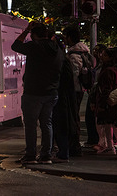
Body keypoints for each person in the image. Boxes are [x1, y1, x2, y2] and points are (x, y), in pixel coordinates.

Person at [11, 22, 64, 164]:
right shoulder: (58, 49)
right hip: (52, 92)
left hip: (33, 92)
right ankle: (46, 155)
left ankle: (30, 155)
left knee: (30, 124)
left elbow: (15, 46)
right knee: (47, 123)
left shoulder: (35, 46)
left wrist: (26, 30)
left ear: (34, 35)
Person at [63, 25, 92, 156]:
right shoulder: (85, 52)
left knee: (72, 117)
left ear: (69, 37)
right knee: (74, 117)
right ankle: (73, 144)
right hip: (80, 89)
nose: (64, 39)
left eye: (65, 36)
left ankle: (74, 146)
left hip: (74, 90)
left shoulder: (74, 55)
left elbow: (73, 74)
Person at [94, 48, 117, 154]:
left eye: (104, 55)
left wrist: (103, 101)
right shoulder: (116, 70)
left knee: (111, 124)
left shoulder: (108, 71)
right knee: (111, 124)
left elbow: (106, 88)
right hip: (114, 100)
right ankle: (114, 146)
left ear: (109, 57)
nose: (101, 56)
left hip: (108, 100)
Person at [52, 35, 77, 163]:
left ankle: (62, 152)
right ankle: (61, 151)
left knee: (60, 124)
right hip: (62, 97)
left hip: (61, 98)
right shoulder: (64, 59)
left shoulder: (61, 60)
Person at [85, 44, 107, 146]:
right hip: (93, 93)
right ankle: (94, 139)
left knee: (96, 118)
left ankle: (99, 140)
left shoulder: (104, 66)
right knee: (90, 117)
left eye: (97, 51)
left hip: (97, 94)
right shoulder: (96, 64)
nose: (95, 53)